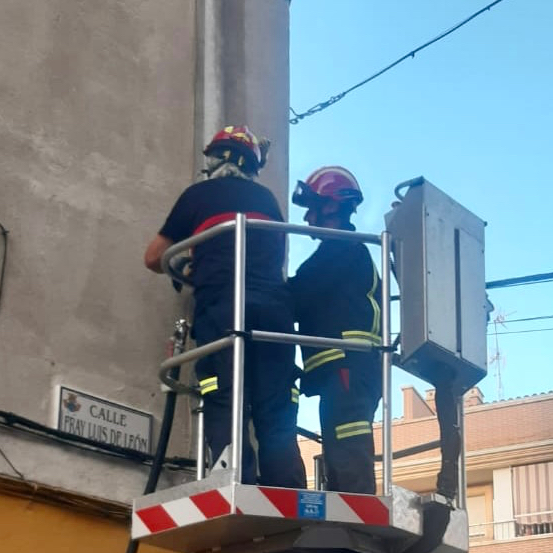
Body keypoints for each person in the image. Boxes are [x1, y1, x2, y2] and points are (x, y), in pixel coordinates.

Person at [144, 125, 305, 489]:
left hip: (224, 309)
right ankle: (288, 489)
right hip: (275, 314)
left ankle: (235, 483)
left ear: (217, 159)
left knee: (223, 397)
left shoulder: (198, 195)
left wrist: (188, 265)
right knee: (275, 406)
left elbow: (153, 257)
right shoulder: (268, 201)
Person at [289, 166, 381, 494]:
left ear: (330, 207)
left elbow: (297, 295)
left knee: (348, 448)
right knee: (340, 447)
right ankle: (349, 506)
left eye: (312, 208)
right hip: (348, 370)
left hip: (347, 367)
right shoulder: (345, 252)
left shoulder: (340, 250)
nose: (307, 218)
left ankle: (358, 510)